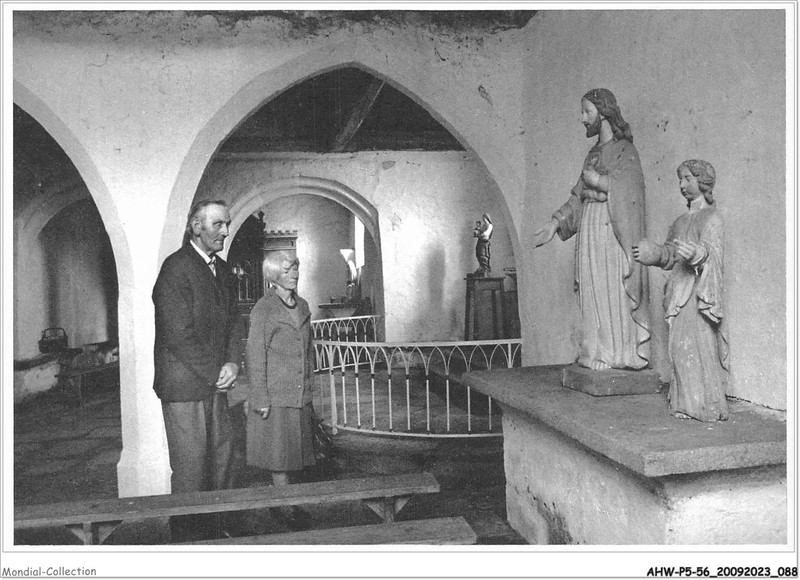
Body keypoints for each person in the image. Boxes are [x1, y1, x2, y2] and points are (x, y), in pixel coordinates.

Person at [533, 88, 651, 371]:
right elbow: (577, 196)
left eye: (587, 112)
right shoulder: (592, 153)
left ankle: (616, 354)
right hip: (589, 229)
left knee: (611, 288)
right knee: (592, 289)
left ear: (604, 112)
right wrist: (555, 223)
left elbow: (631, 190)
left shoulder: (625, 151)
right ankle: (595, 350)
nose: (582, 118)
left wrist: (600, 181)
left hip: (612, 230)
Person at [152, 200, 244, 538]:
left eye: (227, 224)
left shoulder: (220, 268)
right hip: (184, 387)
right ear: (196, 226)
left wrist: (233, 362)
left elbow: (235, 320)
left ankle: (222, 534)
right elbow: (178, 335)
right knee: (192, 470)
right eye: (218, 224)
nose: (226, 231)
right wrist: (216, 373)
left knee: (223, 462)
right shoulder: (175, 268)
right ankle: (189, 544)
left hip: (213, 382)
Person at [633, 160, 728, 421]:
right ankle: (684, 403)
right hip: (678, 291)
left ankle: (706, 406)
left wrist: (697, 254)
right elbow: (670, 254)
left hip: (697, 293)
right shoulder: (679, 221)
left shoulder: (713, 218)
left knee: (695, 346)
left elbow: (712, 252)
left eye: (687, 178)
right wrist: (653, 254)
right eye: (680, 179)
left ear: (702, 181)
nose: (682, 184)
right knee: (677, 348)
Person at [245, 249, 316, 525]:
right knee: (279, 457)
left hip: (299, 392)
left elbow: (308, 352)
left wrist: (309, 390)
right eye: (287, 270)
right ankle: (285, 507)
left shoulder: (304, 305)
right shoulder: (264, 308)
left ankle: (288, 503)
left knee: (295, 455)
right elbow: (255, 354)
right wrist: (260, 397)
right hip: (275, 394)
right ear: (274, 276)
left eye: (295, 268)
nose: (294, 274)